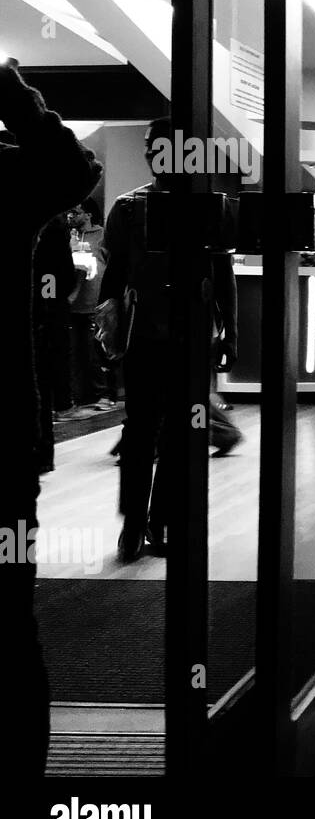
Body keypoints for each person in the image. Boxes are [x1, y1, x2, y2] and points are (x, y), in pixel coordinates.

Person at [1, 60, 102, 777]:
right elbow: (75, 167)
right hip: (1, 441)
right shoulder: (7, 178)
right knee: (9, 627)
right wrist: (10, 88)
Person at [100, 118, 242, 562]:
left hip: (187, 335)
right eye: (147, 146)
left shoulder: (204, 208)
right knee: (143, 430)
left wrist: (230, 331)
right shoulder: (129, 208)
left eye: (156, 146)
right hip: (147, 333)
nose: (148, 153)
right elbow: (114, 276)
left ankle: (154, 522)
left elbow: (222, 273)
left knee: (176, 434)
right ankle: (136, 524)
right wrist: (108, 332)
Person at [32, 214, 76, 472]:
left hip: (41, 311)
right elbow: (64, 275)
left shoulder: (51, 228)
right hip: (48, 313)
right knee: (43, 383)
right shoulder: (55, 226)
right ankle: (43, 453)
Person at [65, 199, 117, 415]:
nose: (70, 217)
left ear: (87, 215)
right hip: (72, 303)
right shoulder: (69, 237)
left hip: (95, 301)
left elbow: (113, 264)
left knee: (98, 351)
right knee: (74, 352)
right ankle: (81, 395)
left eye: (75, 212)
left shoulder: (102, 235)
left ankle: (107, 394)